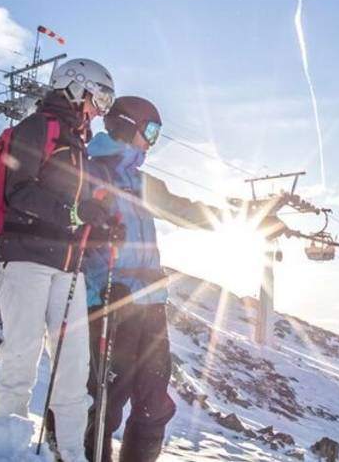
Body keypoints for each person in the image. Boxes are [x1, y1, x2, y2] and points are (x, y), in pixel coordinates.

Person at [81, 96, 286, 462]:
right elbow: (66, 217)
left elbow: (189, 212)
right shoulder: (89, 171)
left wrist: (254, 218)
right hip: (111, 298)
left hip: (151, 304)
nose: (153, 141)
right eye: (152, 131)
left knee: (155, 403)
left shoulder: (144, 183)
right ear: (129, 125)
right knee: (107, 401)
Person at [0, 58, 115, 461]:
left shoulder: (79, 144)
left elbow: (78, 206)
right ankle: (7, 447)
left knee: (72, 366)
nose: (100, 109)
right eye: (99, 97)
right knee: (22, 352)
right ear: (75, 87)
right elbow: (19, 191)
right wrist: (74, 212)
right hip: (25, 258)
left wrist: (98, 222)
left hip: (65, 264)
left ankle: (72, 454)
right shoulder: (39, 128)